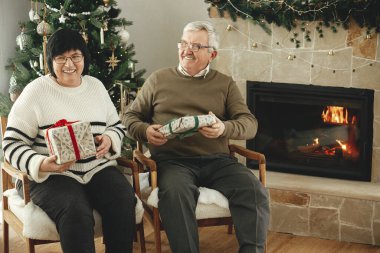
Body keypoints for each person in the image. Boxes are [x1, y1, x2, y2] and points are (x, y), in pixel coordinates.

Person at [125, 21, 269, 253]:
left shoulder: (224, 84)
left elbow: (250, 124)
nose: (187, 50)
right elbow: (130, 117)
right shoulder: (158, 79)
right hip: (173, 162)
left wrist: (223, 128)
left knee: (252, 189)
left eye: (196, 45)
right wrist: (145, 131)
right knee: (175, 194)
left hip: (218, 160)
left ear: (212, 53)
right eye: (184, 43)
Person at [2, 28, 136, 253]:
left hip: (97, 168)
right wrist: (41, 164)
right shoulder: (35, 92)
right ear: (50, 62)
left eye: (75, 57)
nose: (69, 64)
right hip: (52, 176)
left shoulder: (96, 86)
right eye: (60, 58)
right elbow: (11, 145)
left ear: (84, 58)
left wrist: (110, 139)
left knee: (123, 199)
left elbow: (117, 126)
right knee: (75, 210)